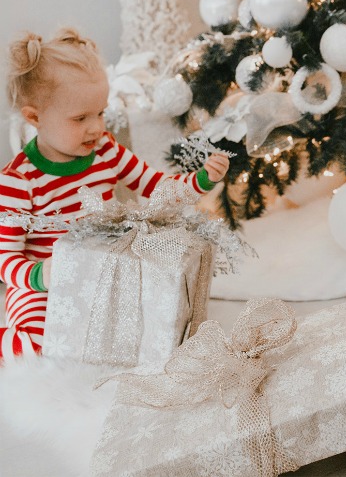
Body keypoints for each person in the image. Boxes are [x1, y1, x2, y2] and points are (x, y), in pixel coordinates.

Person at [0, 28, 230, 361]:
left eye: (100, 113)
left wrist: (201, 180)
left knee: (142, 329)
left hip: (103, 270)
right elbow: (5, 261)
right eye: (80, 118)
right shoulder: (18, 180)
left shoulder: (106, 149)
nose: (96, 127)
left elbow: (155, 187)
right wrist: (42, 275)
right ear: (35, 117)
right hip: (41, 289)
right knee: (43, 346)